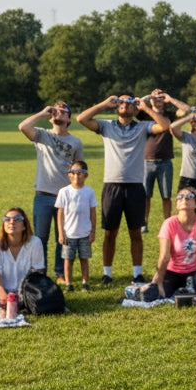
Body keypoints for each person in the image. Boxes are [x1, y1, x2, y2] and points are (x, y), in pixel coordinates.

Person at [76, 90, 171, 286]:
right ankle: (107, 273)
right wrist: (104, 104)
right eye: (121, 103)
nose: (124, 105)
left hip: (135, 186)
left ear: (135, 109)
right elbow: (81, 118)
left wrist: (145, 107)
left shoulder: (143, 127)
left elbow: (165, 125)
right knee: (110, 232)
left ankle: (137, 273)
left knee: (135, 232)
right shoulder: (106, 125)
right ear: (116, 106)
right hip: (112, 185)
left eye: (129, 103)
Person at [18, 101, 84, 280]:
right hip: (43, 195)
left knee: (62, 238)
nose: (59, 112)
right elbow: (23, 126)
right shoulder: (42, 134)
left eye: (64, 111)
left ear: (69, 119)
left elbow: (79, 169)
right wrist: (43, 112)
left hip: (66, 197)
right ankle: (40, 273)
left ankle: (60, 273)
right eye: (56, 110)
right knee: (40, 238)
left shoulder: (75, 142)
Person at [152, 188, 196, 299]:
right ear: (177, 205)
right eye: (180, 197)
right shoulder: (169, 224)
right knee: (159, 293)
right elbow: (164, 257)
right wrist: (159, 281)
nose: (184, 199)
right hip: (173, 272)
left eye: (189, 197)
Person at [0, 207, 45, 314]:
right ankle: (10, 306)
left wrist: (23, 295)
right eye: (7, 219)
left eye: (17, 219)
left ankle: (12, 307)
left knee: (43, 300)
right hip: (4, 292)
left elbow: (38, 273)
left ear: (24, 225)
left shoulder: (35, 242)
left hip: (28, 291)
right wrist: (2, 294)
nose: (12, 222)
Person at [143, 89, 189, 224]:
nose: (158, 100)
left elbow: (186, 109)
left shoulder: (170, 114)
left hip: (165, 161)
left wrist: (171, 98)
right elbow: (137, 103)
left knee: (166, 195)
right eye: (155, 98)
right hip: (146, 160)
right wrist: (150, 96)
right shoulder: (145, 115)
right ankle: (144, 222)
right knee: (145, 195)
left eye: (160, 98)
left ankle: (167, 222)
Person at [55, 160, 98, 291]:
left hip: (84, 232)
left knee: (84, 258)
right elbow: (60, 213)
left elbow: (93, 212)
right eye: (73, 173)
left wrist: (92, 231)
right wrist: (61, 233)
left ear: (85, 175)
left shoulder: (89, 192)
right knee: (68, 260)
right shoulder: (64, 192)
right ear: (69, 175)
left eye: (80, 173)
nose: (76, 176)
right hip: (69, 234)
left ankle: (85, 282)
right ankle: (69, 283)